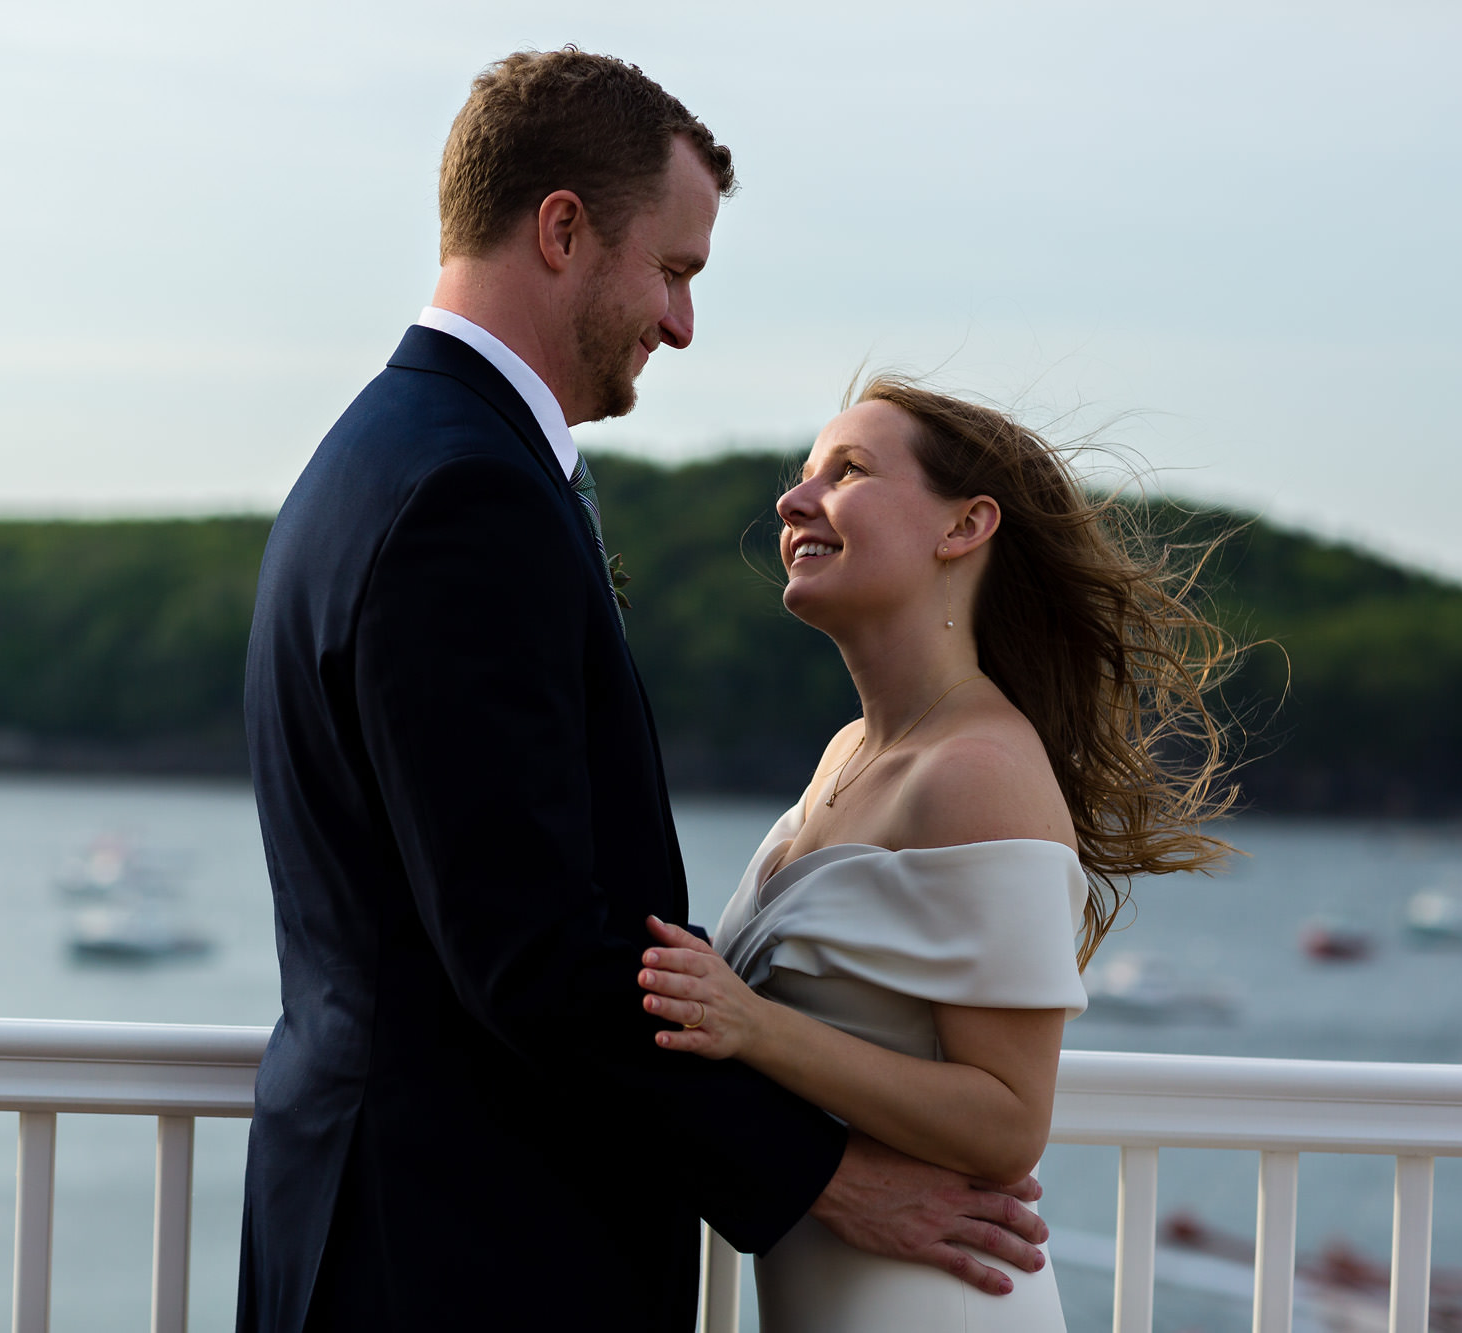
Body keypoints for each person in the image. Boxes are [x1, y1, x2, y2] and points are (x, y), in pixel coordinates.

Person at [238, 50, 1055, 1333]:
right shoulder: (469, 496)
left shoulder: (375, 457)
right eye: (672, 272)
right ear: (561, 229)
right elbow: (532, 956)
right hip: (465, 1259)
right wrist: (825, 1180)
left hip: (385, 1225)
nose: (679, 324)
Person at [636, 377, 1240, 1330]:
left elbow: (1007, 1121)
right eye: (802, 478)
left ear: (965, 527)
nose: (795, 502)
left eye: (849, 471)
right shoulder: (848, 751)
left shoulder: (979, 769)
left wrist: (752, 1025)